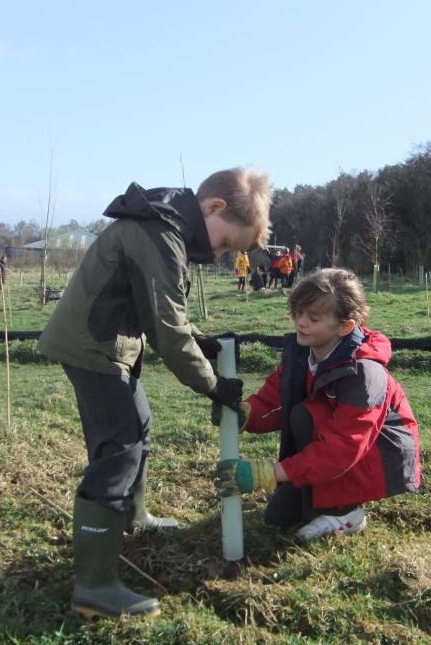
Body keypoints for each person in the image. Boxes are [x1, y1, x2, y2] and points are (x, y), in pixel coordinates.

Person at [37, 167, 272, 619]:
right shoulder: (160, 236)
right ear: (214, 208)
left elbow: (165, 311)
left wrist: (198, 338)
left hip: (107, 344)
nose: (220, 253)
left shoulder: (168, 229)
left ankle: (134, 518)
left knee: (138, 428)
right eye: (226, 243)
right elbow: (167, 331)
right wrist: (215, 386)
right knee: (119, 450)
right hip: (93, 347)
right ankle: (95, 586)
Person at [214, 268, 421, 543]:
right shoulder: (301, 355)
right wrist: (247, 414)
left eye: (314, 318)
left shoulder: (364, 374)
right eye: (298, 313)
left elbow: (344, 447)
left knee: (304, 415)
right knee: (278, 517)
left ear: (345, 327)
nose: (301, 323)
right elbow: (273, 399)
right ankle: (318, 496)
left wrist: (271, 473)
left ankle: (349, 512)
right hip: (332, 448)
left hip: (374, 455)